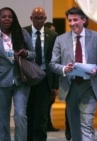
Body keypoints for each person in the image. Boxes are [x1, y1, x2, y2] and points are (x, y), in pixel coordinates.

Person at [49, 7, 97, 141]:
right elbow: (53, 64)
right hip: (70, 87)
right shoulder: (60, 39)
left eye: (75, 19)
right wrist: (65, 68)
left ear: (84, 20)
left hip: (89, 85)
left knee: (86, 123)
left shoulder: (96, 37)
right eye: (69, 20)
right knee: (74, 126)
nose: (72, 23)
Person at [0, 7, 35, 141]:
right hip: (0, 82)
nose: (7, 19)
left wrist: (26, 53)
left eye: (10, 16)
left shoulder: (23, 33)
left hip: (21, 81)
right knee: (3, 119)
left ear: (14, 19)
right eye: (4, 16)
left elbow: (33, 54)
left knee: (20, 115)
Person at [24, 7, 59, 141]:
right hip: (27, 79)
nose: (39, 20)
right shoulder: (23, 32)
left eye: (41, 18)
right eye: (36, 17)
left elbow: (55, 60)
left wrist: (55, 84)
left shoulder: (53, 36)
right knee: (28, 112)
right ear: (31, 18)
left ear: (45, 19)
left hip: (44, 80)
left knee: (42, 114)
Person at [43, 22, 60, 132]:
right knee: (45, 105)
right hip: (44, 78)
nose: (54, 33)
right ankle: (46, 125)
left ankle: (48, 125)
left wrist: (56, 84)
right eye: (51, 30)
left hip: (52, 77)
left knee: (49, 104)